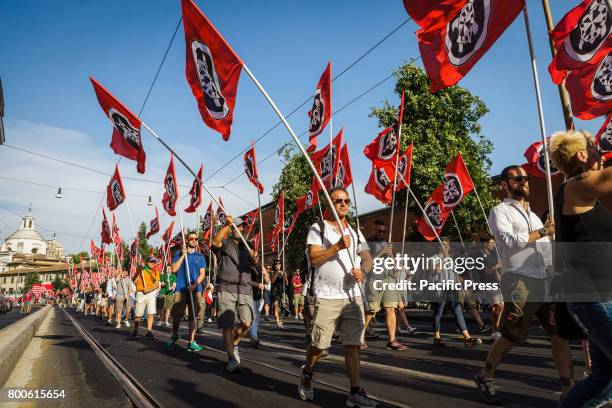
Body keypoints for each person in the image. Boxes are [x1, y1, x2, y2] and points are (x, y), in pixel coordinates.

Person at [474, 164, 573, 404]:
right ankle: (485, 375)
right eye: (516, 178)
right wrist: (542, 232)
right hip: (520, 280)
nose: (523, 181)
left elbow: (545, 247)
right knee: (512, 335)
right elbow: (509, 243)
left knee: (559, 334)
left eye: (525, 178)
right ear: (504, 185)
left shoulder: (535, 215)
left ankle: (568, 388)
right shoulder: (500, 211)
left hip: (545, 281)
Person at [548, 130, 612, 407]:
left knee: (604, 380)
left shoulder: (579, 190)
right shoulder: (577, 186)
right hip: (594, 298)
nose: (602, 153)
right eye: (596, 148)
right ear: (583, 155)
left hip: (599, 296)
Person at [298, 187, 377, 407]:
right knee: (319, 345)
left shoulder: (355, 231)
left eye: (346, 201)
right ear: (329, 205)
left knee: (352, 345)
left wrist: (364, 270)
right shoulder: (318, 228)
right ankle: (307, 373)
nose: (343, 204)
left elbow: (367, 258)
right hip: (326, 296)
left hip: (352, 297)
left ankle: (354, 392)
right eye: (338, 201)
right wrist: (337, 246)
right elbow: (314, 258)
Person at [212, 216, 257, 372]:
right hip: (226, 288)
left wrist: (254, 258)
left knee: (247, 322)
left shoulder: (247, 244)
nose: (241, 229)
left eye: (243, 227)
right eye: (238, 227)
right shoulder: (225, 243)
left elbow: (253, 265)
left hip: (244, 288)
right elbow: (214, 242)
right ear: (232, 229)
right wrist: (227, 225)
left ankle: (234, 343)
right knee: (227, 325)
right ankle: (231, 357)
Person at [363, 219, 406, 351]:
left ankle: (392, 340)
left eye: (384, 231)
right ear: (374, 228)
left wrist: (392, 256)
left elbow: (392, 264)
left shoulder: (386, 243)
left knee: (391, 308)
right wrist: (381, 252)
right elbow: (367, 262)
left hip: (389, 278)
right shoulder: (367, 242)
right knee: (371, 310)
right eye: (379, 231)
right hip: (375, 278)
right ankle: (359, 336)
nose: (381, 233)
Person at [429, 238, 481, 348]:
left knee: (457, 310)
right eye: (443, 245)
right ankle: (437, 337)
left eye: (447, 245)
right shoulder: (433, 258)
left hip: (451, 288)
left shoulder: (451, 259)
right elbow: (436, 270)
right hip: (440, 288)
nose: (446, 247)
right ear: (439, 246)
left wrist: (465, 282)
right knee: (439, 312)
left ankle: (467, 338)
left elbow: (455, 274)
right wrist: (444, 259)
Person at [165, 232, 206, 352]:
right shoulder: (179, 253)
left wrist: (194, 285)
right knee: (177, 314)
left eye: (195, 239)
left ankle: (191, 341)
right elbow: (173, 269)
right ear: (187, 240)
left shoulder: (200, 256)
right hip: (181, 288)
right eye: (191, 239)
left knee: (193, 315)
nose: (194, 240)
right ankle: (174, 335)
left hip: (195, 289)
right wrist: (183, 255)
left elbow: (202, 273)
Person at [475, 234, 503, 339]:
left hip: (495, 283)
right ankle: (496, 328)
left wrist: (500, 278)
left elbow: (494, 271)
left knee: (498, 307)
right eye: (491, 243)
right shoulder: (480, 255)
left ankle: (495, 331)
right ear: (485, 244)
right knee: (498, 305)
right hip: (486, 284)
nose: (493, 245)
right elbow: (486, 271)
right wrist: (498, 265)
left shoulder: (492, 254)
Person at [132, 256, 161, 338]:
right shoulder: (141, 270)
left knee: (151, 313)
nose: (152, 263)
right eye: (151, 262)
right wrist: (138, 271)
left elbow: (156, 284)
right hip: (141, 293)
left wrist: (149, 289)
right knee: (138, 314)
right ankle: (136, 329)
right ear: (147, 262)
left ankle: (149, 331)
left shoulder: (156, 272)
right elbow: (134, 281)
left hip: (151, 294)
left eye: (153, 262)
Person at [249, 254, 269, 348]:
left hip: (259, 295)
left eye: (257, 257)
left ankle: (253, 336)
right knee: (253, 317)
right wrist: (257, 285)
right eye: (254, 257)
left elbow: (268, 281)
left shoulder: (260, 268)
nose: (256, 258)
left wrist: (265, 274)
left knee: (256, 318)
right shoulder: (248, 267)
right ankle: (253, 336)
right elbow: (246, 281)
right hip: (250, 294)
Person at [270, 259, 287, 328]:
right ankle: (277, 321)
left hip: (281, 291)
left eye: (279, 263)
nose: (278, 265)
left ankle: (281, 320)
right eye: (276, 264)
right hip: (275, 291)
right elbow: (272, 281)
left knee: (283, 307)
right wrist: (276, 273)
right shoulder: (272, 272)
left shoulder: (283, 272)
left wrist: (284, 276)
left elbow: (286, 282)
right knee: (276, 306)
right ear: (274, 265)